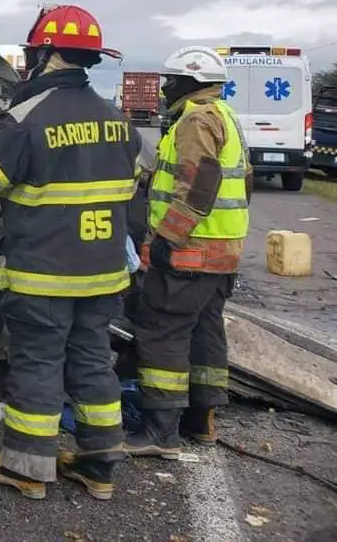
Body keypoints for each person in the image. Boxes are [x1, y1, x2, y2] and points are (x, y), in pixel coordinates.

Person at [0, 4, 141, 501]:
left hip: (45, 273)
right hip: (103, 274)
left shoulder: (27, 119)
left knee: (38, 362)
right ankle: (100, 467)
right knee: (92, 362)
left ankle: (28, 469)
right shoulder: (118, 121)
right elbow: (132, 182)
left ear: (45, 55)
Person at [126, 46, 250, 457]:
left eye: (170, 81)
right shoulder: (227, 117)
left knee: (163, 331)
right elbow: (243, 182)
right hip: (221, 252)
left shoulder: (195, 120)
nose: (164, 88)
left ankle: (161, 432)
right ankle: (202, 421)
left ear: (187, 82)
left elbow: (200, 183)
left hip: (190, 253)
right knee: (206, 333)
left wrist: (168, 239)